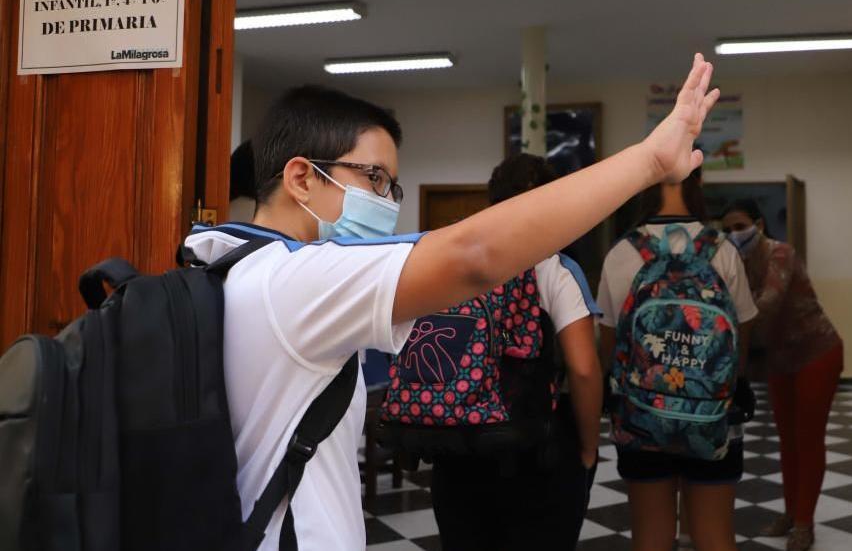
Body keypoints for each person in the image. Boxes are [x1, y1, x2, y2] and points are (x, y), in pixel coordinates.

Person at [180, 53, 722, 550]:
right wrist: (650, 161)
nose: (387, 201)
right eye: (373, 178)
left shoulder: (235, 264)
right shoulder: (299, 281)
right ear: (301, 177)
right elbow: (475, 256)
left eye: (392, 185)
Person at [429, 154, 603, 551]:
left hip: (456, 444)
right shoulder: (556, 268)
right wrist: (589, 448)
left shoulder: (450, 261)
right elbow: (583, 369)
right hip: (535, 446)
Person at [597, 169, 758, 551]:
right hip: (713, 416)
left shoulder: (621, 253)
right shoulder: (723, 250)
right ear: (697, 182)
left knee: (651, 536)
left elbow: (609, 348)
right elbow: (742, 342)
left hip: (640, 418)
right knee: (715, 535)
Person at [721, 200, 842, 551]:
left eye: (739, 226)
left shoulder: (781, 254)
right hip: (780, 360)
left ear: (758, 224)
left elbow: (767, 302)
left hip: (816, 353)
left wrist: (724, 320)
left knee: (808, 438)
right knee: (787, 441)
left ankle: (805, 523)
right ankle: (791, 514)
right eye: (726, 229)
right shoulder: (736, 261)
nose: (733, 235)